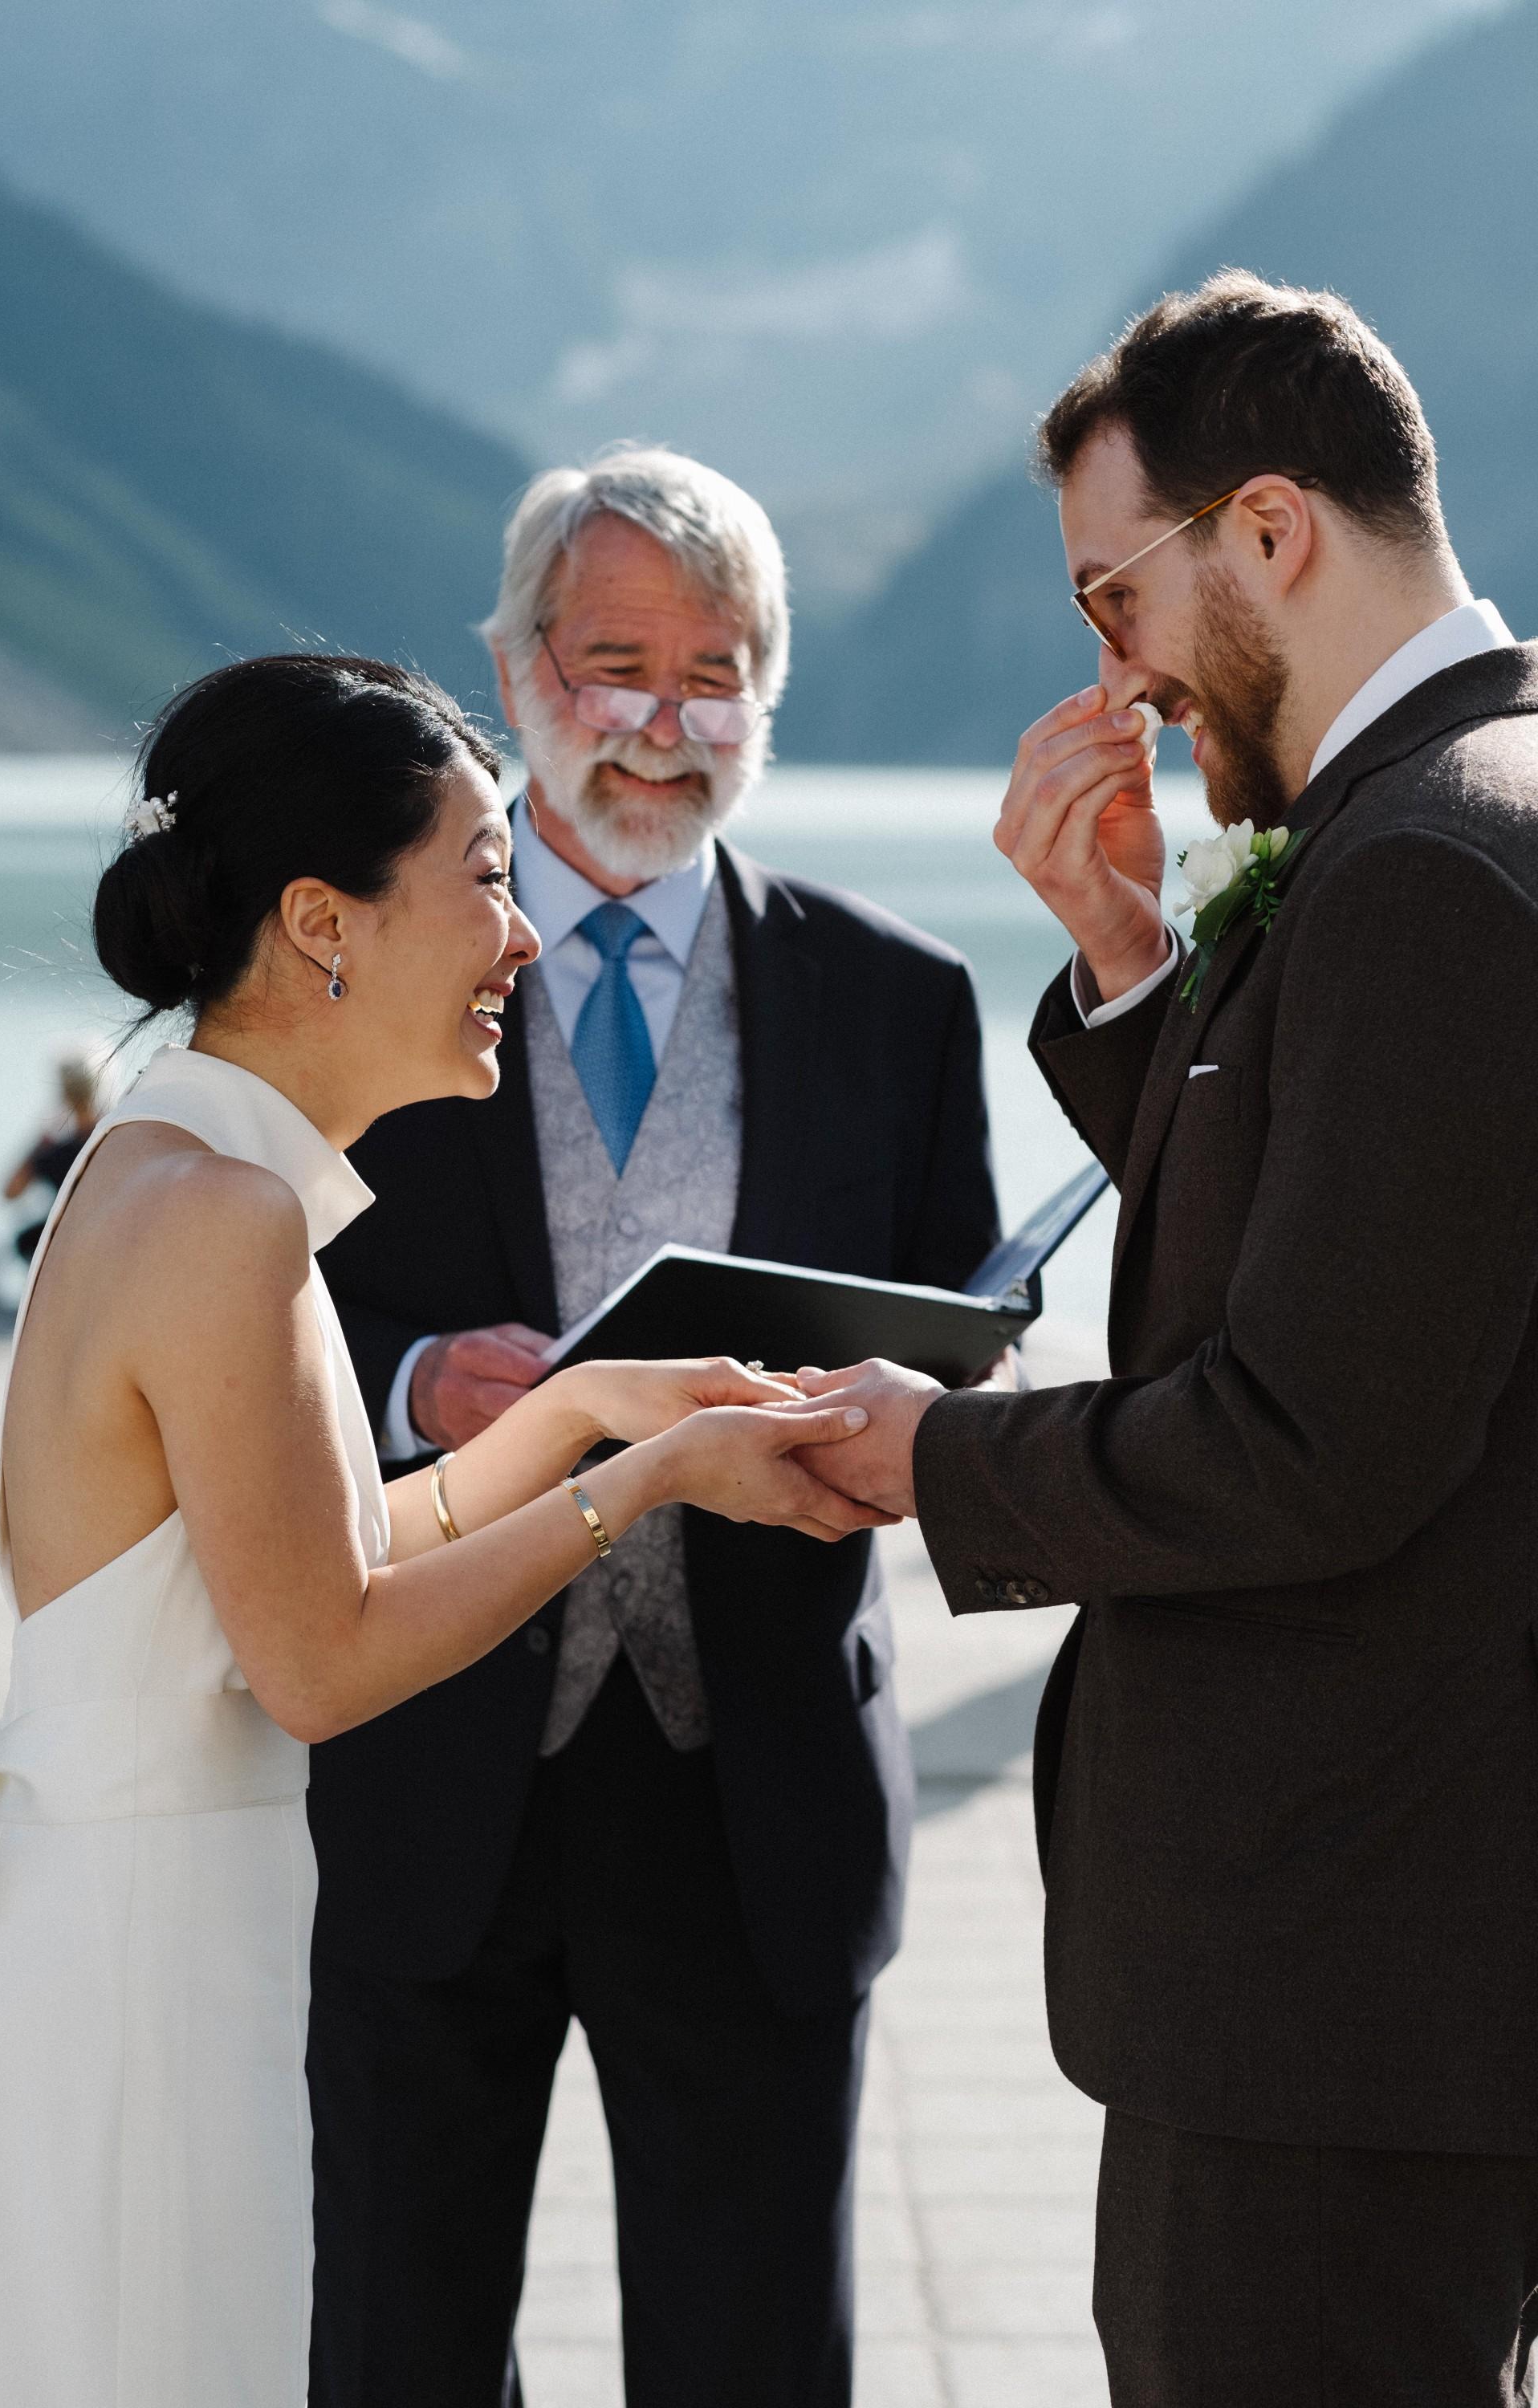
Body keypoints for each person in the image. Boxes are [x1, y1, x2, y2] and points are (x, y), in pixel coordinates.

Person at [0, 652, 883, 2408]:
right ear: (323, 923)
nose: (522, 939)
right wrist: (640, 1487)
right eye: (487, 876)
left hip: (129, 1919)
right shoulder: (224, 1217)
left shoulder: (161, 1159)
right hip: (153, 1970)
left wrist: (587, 1409)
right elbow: (322, 1655)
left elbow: (327, 1544)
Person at [789, 272, 1538, 2406]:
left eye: (1115, 595)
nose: (1110, 672)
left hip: (1357, 1978)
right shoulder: (1463, 805)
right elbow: (1382, 1260)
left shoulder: (1426, 868)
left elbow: (1318, 1432)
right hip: (1409, 1965)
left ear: (1272, 533)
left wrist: (932, 1457)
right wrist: (1132, 960)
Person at [307, 448, 1002, 2408]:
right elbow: (267, 1282)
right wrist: (414, 1378)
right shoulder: (362, 963)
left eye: (716, 671)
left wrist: (893, 1419)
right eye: (618, 662)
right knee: (396, 2345)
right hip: (436, 1758)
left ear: (765, 694)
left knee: (753, 2359)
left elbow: (959, 1333)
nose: (664, 720)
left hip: (754, 1776)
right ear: (519, 667)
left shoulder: (899, 994)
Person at [2, 1047, 103, 1260]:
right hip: (105, 1232)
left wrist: (42, 1138)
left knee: (25, 1241)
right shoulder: (114, 1135)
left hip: (66, 1240)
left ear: (64, 1094)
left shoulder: (56, 1150)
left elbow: (10, 1192)